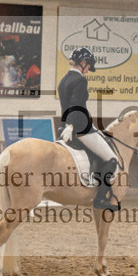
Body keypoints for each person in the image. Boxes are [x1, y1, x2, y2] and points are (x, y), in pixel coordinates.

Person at [57, 47, 119, 211]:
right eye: (89, 67)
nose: (88, 71)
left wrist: (67, 124)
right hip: (79, 128)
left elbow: (68, 106)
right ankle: (100, 199)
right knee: (112, 159)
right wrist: (71, 125)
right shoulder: (80, 81)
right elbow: (76, 105)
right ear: (83, 63)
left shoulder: (63, 80)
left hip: (66, 127)